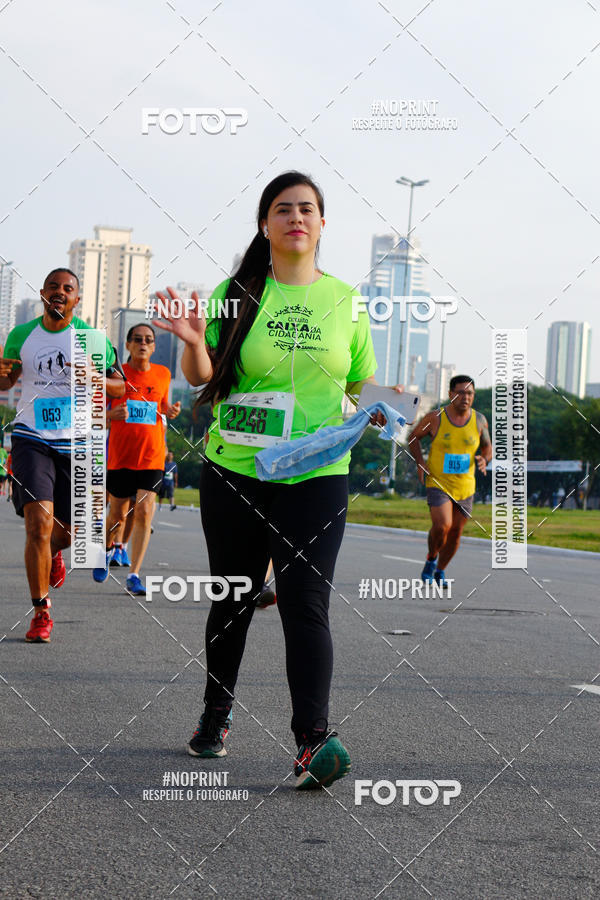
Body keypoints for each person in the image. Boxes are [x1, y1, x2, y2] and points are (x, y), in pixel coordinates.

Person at [155, 170, 399, 790]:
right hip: (236, 469)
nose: (296, 218)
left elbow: (355, 384)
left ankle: (312, 740)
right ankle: (216, 712)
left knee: (304, 601)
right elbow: (205, 376)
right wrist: (189, 339)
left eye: (307, 209)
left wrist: (383, 404)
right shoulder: (236, 294)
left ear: (322, 225)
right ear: (265, 224)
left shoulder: (346, 300)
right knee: (234, 597)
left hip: (317, 474)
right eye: (283, 209)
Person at [0, 268, 124, 642]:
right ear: (42, 293)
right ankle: (41, 611)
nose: (59, 292)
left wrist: (96, 378)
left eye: (67, 288)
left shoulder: (90, 338)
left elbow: (120, 386)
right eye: (53, 286)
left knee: (66, 534)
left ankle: (55, 551)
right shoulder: (22, 335)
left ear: (77, 299)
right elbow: (7, 380)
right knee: (38, 524)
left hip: (79, 441)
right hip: (31, 436)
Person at [92, 323, 180, 595]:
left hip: (152, 455)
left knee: (143, 512)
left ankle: (134, 573)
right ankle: (106, 550)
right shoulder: (116, 378)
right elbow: (90, 415)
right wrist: (108, 416)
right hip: (120, 456)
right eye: (137, 339)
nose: (143, 343)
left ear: (154, 347)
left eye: (149, 340)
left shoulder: (164, 374)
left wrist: (172, 410)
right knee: (117, 514)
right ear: (128, 345)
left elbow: (162, 407)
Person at [407, 375, 493, 587]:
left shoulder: (480, 420)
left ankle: (440, 570)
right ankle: (431, 558)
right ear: (450, 394)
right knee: (443, 525)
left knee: (455, 534)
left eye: (470, 393)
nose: (465, 397)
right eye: (461, 392)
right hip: (438, 483)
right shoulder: (436, 417)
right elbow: (413, 437)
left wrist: (484, 458)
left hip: (465, 486)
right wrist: (419, 462)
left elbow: (487, 447)